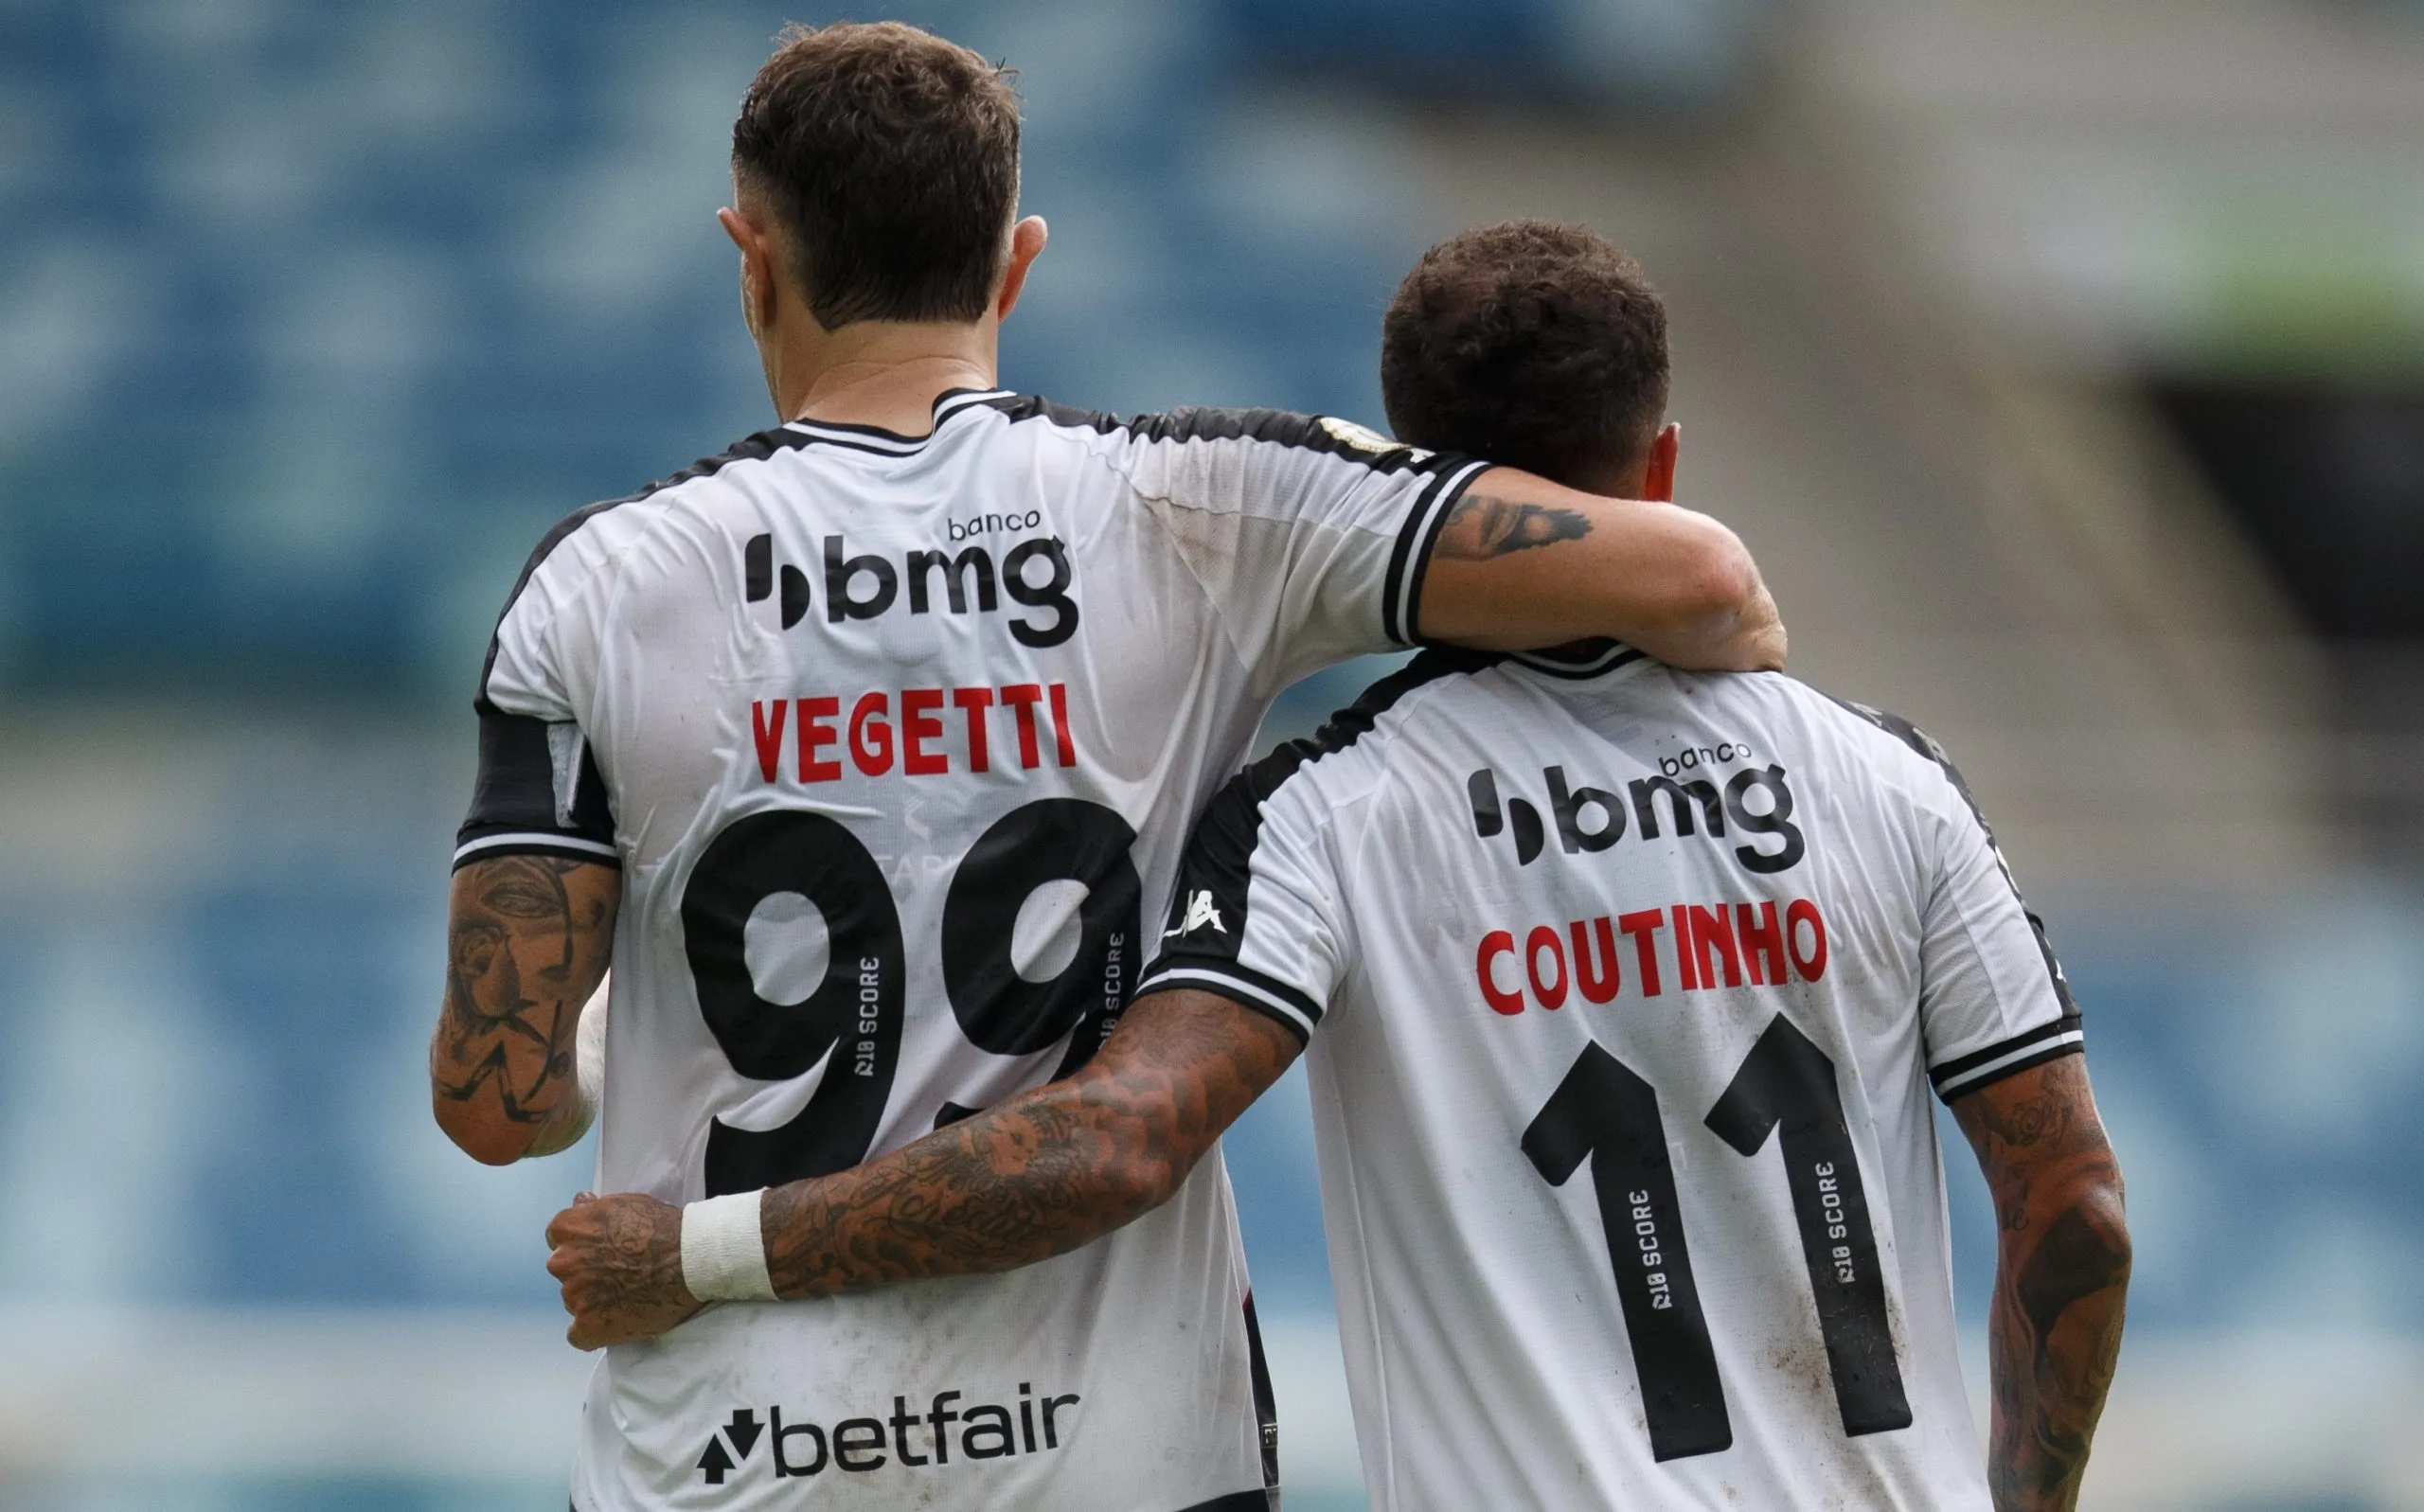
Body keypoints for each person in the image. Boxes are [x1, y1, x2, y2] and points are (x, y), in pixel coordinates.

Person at [561, 222, 2131, 1512]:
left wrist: (697, 1252)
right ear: (1662, 468)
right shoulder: (1889, 782)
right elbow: (2077, 1215)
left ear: (1422, 483)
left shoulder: (1331, 811)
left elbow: (1113, 1143)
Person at [434, 23, 1785, 1512]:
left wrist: (615, 1034)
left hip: (741, 1457)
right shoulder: (1206, 508)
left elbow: (496, 1104)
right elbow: (1701, 581)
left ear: (751, 260)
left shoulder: (602, 586)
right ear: (1015, 264)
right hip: (1122, 1458)